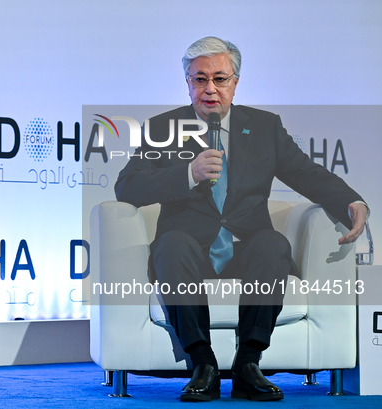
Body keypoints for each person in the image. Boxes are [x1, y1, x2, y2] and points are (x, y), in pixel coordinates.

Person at [114, 36, 368, 402]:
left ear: (235, 81)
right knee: (171, 244)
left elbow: (305, 173)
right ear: (187, 82)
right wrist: (187, 174)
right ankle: (202, 363)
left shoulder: (264, 127)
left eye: (220, 78)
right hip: (189, 250)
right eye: (199, 79)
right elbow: (127, 186)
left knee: (273, 244)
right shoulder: (162, 129)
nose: (210, 89)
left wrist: (351, 201)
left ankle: (249, 363)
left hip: (246, 248)